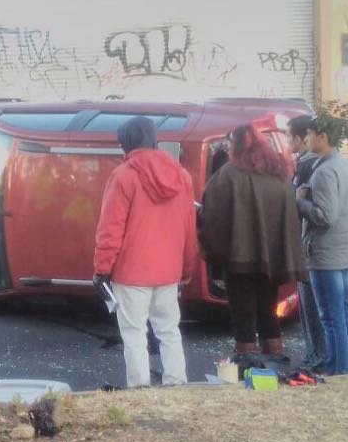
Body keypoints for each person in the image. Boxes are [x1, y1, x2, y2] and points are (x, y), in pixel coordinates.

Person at [93, 116, 197, 388]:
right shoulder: (182, 177)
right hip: (169, 270)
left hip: (131, 272)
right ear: (154, 141)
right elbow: (189, 228)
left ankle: (140, 390)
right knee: (169, 331)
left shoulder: (123, 176)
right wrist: (187, 269)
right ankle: (177, 384)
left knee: (134, 335)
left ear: (124, 144)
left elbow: (110, 229)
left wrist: (102, 269)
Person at [200, 125, 306, 357]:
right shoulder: (278, 173)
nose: (227, 149)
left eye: (230, 145)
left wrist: (212, 247)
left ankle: (246, 363)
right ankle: (275, 360)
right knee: (268, 309)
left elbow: (212, 213)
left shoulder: (229, 174)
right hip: (273, 256)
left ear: (238, 146)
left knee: (243, 313)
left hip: (239, 259)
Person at [296, 114, 348, 375]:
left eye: (310, 134)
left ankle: (337, 371)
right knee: (342, 315)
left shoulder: (324, 171)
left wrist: (300, 202)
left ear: (323, 136)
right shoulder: (345, 165)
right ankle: (344, 368)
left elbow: (325, 216)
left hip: (325, 253)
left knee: (331, 318)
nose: (307, 139)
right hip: (343, 250)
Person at [287, 115, 329, 371]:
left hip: (310, 245)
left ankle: (318, 357)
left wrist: (296, 199)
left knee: (313, 307)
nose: (287, 140)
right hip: (306, 244)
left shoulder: (308, 166)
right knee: (310, 306)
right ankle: (315, 354)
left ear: (303, 138)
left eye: (289, 135)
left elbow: (310, 208)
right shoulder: (305, 163)